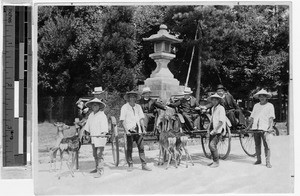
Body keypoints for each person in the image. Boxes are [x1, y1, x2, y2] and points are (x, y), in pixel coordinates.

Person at [120, 91, 152, 171]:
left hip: (138, 129)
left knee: (141, 148)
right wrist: (126, 130)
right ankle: (130, 165)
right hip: (129, 130)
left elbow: (141, 119)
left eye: (134, 97)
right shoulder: (124, 107)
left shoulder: (138, 107)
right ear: (128, 98)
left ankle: (144, 165)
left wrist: (143, 129)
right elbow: (122, 120)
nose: (133, 98)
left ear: (135, 99)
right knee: (129, 148)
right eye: (131, 97)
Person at [245, 89, 275, 168]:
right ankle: (258, 159)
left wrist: (270, 127)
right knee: (257, 145)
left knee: (267, 145)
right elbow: (252, 117)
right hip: (256, 128)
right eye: (260, 97)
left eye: (263, 96)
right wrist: (248, 127)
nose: (262, 98)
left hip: (265, 128)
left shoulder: (270, 106)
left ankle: (268, 162)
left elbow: (271, 117)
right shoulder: (256, 106)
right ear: (258, 97)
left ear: (266, 97)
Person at [84, 98, 108, 178]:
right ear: (91, 106)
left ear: (99, 106)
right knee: (95, 154)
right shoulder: (91, 115)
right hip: (93, 137)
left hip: (100, 138)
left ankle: (100, 170)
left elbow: (104, 126)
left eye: (96, 105)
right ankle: (97, 167)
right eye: (93, 105)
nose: (94, 106)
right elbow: (87, 126)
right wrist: (87, 134)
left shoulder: (102, 115)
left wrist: (103, 133)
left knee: (99, 154)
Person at [206, 93, 227, 168]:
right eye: (213, 100)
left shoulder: (221, 108)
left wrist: (215, 130)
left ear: (218, 100)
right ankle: (214, 161)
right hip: (213, 128)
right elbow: (212, 120)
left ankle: (216, 162)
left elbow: (221, 121)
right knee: (210, 145)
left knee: (212, 145)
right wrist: (209, 129)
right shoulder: (213, 108)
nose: (214, 101)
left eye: (216, 100)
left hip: (219, 129)